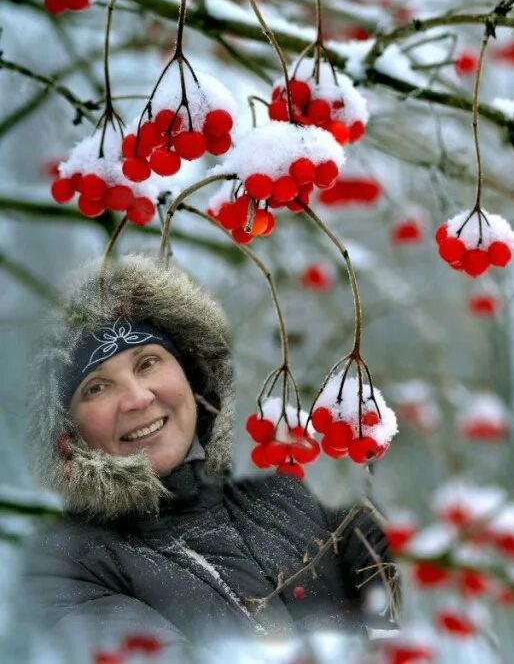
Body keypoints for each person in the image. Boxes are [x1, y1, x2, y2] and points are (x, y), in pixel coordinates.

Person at [20, 254, 397, 658]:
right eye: (96, 388)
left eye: (148, 363)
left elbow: (423, 593)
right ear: (66, 438)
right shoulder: (66, 568)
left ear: (192, 373)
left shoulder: (289, 474)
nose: (137, 398)